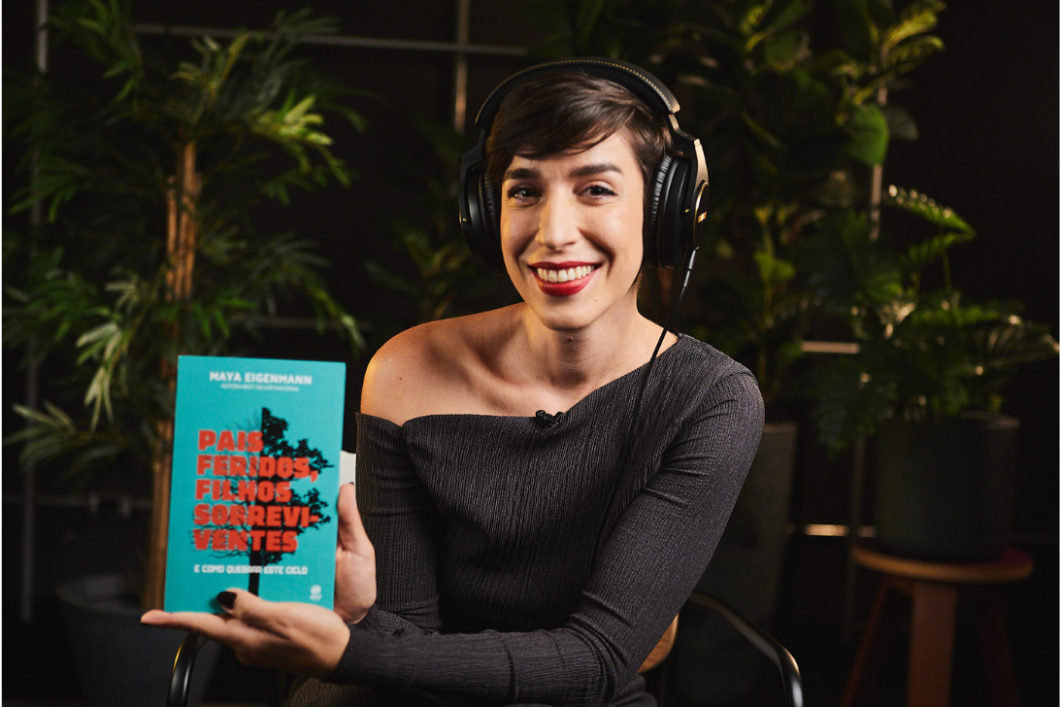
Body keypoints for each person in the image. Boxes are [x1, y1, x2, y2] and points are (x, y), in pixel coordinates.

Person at [143, 58, 764, 707]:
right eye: (524, 191)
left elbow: (597, 659)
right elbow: (410, 631)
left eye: (595, 189)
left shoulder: (710, 398)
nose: (553, 234)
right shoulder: (407, 370)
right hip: (415, 690)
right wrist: (358, 615)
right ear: (484, 210)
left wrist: (356, 648)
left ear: (665, 211)